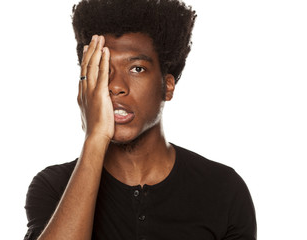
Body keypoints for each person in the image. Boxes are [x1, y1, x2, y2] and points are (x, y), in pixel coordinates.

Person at [24, 0, 257, 239]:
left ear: (167, 86)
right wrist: (94, 138)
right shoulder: (54, 187)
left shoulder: (222, 189)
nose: (115, 86)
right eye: (103, 70)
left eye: (136, 69)